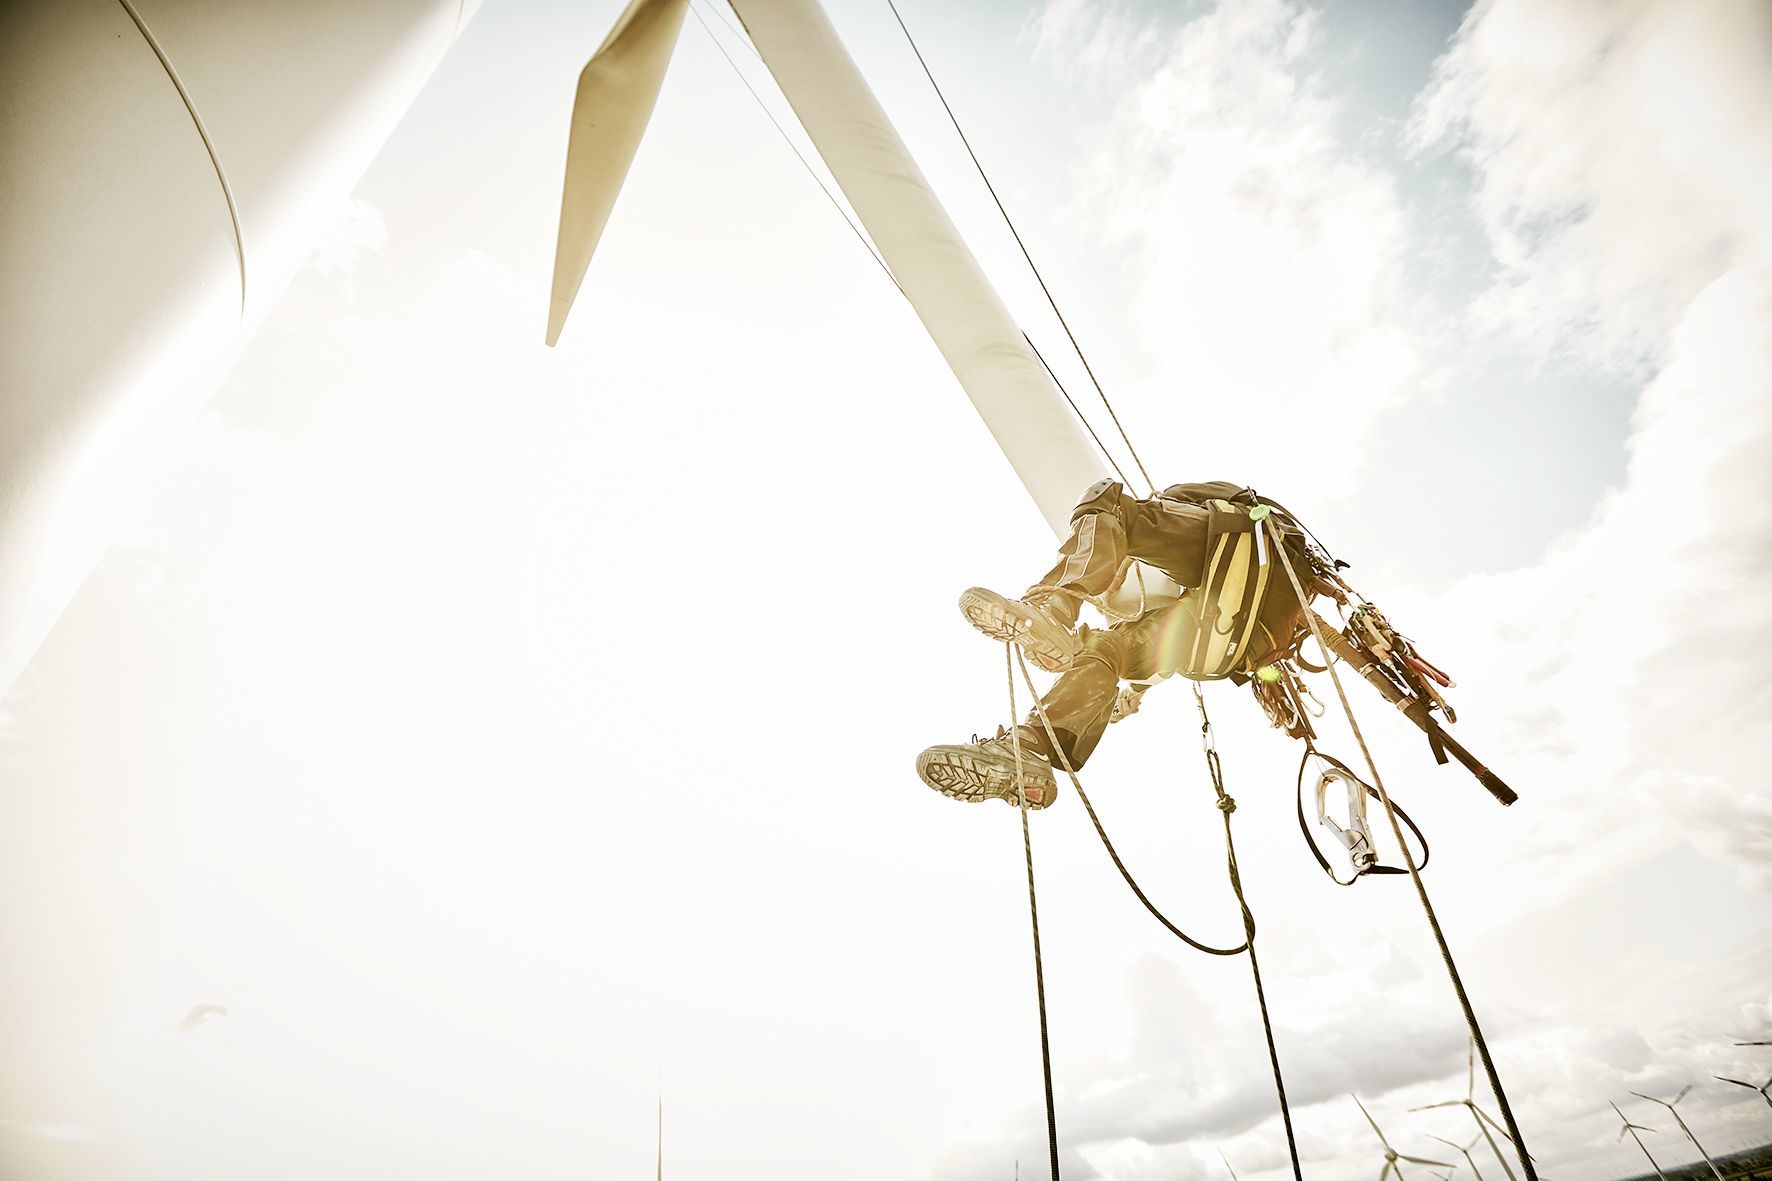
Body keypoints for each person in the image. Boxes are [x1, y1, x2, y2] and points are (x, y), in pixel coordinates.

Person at [916, 479, 1321, 809]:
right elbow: (1158, 659)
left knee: (1106, 501)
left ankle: (1054, 606)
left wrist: (1123, 554)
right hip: (1248, 633)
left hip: (1246, 555)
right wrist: (1123, 698)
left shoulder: (1185, 499)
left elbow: (1151, 518)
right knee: (1106, 649)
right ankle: (1030, 746)